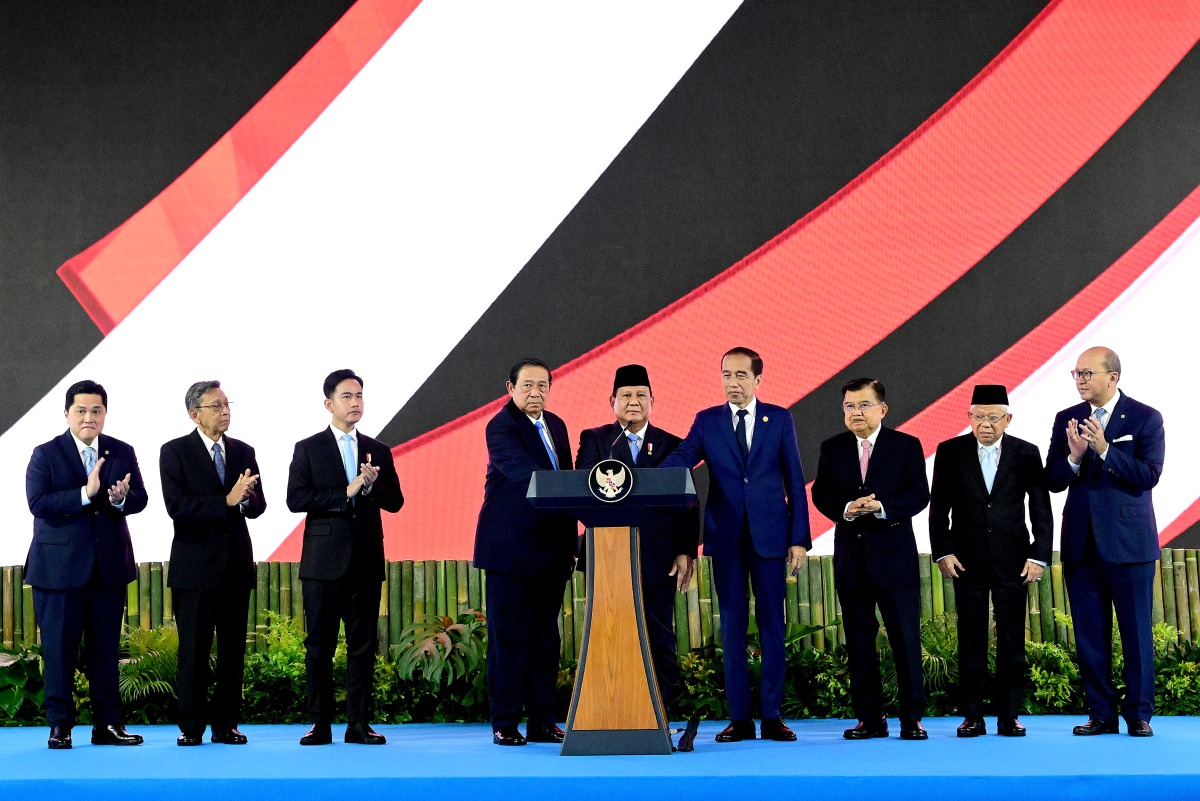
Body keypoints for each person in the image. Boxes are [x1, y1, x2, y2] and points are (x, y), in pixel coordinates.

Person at [661, 347, 808, 743]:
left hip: (771, 538)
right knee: (732, 630)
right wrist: (648, 477)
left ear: (758, 380)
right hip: (726, 538)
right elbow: (685, 456)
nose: (733, 383)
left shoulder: (778, 418)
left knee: (772, 627)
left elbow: (795, 479)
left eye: (742, 375)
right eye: (727, 375)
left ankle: (773, 716)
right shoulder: (707, 421)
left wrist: (799, 539)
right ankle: (740, 719)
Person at [1047, 347, 1164, 737]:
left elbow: (1148, 474)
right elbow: (1053, 479)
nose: (1079, 380)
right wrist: (1076, 458)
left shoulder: (1146, 417)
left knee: (1135, 632)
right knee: (1089, 634)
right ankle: (1101, 713)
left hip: (1129, 544)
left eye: (1087, 373)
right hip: (1082, 544)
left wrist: (1105, 450)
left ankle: (1139, 714)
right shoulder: (1067, 419)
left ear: (1112, 378)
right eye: (1076, 374)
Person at [25, 380, 147, 749]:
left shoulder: (122, 451)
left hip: (108, 568)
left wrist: (121, 498)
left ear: (105, 414)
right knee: (59, 652)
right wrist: (85, 494)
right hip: (58, 571)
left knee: (106, 651)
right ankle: (60, 726)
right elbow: (38, 503)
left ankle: (107, 725)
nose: (89, 417)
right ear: (67, 414)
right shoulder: (45, 453)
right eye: (81, 410)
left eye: (96, 410)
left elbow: (140, 499)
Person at [286, 369, 404, 745]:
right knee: (319, 645)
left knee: (363, 645)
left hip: (366, 561)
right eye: (347, 397)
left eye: (359, 396)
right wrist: (346, 491)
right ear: (328, 403)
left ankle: (358, 723)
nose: (355, 403)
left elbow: (396, 501)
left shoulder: (378, 449)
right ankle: (320, 723)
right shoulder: (308, 447)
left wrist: (371, 487)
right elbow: (296, 499)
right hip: (323, 562)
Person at [929, 384, 1051, 737]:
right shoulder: (950, 451)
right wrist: (943, 550)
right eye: (978, 416)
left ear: (1008, 419)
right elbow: (939, 508)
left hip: (1014, 560)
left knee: (1012, 638)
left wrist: (1039, 555)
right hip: (967, 560)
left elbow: (1040, 510)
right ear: (968, 417)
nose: (986, 424)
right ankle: (972, 715)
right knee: (970, 637)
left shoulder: (1026, 453)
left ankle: (1009, 715)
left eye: (993, 417)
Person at [811, 378, 930, 741]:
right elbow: (821, 493)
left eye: (864, 405)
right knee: (860, 644)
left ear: (883, 409)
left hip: (895, 562)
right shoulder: (832, 448)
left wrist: (882, 508)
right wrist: (847, 508)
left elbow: (919, 495)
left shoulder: (906, 445)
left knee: (905, 641)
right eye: (849, 406)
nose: (856, 413)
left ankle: (912, 719)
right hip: (852, 562)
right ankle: (870, 719)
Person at [575, 364, 698, 711]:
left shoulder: (673, 444)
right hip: (608, 553)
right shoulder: (596, 439)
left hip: (658, 557)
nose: (633, 402)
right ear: (612, 400)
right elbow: (581, 490)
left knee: (659, 635)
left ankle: (662, 714)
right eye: (626, 395)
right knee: (609, 636)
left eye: (640, 395)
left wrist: (685, 550)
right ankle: (610, 712)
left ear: (652, 401)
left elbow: (689, 504)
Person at [473, 358, 577, 746]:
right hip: (510, 552)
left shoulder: (558, 425)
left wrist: (572, 544)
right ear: (510, 387)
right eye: (528, 386)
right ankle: (505, 722)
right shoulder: (500, 426)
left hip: (551, 552)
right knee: (509, 639)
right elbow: (527, 477)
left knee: (546, 640)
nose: (536, 393)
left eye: (543, 386)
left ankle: (543, 721)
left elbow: (565, 489)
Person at [160, 380, 265, 746]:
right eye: (216, 406)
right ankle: (191, 726)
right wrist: (226, 500)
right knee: (194, 650)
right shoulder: (174, 452)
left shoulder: (243, 451)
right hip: (194, 569)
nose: (225, 411)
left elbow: (258, 506)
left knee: (233, 650)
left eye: (226, 404)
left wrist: (247, 499)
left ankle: (227, 724)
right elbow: (178, 507)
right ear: (194, 414)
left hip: (235, 565)